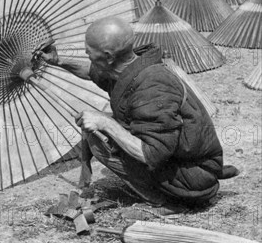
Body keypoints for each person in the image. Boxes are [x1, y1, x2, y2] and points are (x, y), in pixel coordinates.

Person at [38, 17, 238, 212]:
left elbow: (152, 154)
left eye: (89, 52)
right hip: (180, 158)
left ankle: (166, 201)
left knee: (99, 139)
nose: (86, 54)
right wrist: (58, 60)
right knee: (100, 128)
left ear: (108, 56)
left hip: (193, 173)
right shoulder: (129, 65)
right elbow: (92, 71)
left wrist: (105, 123)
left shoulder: (153, 86)